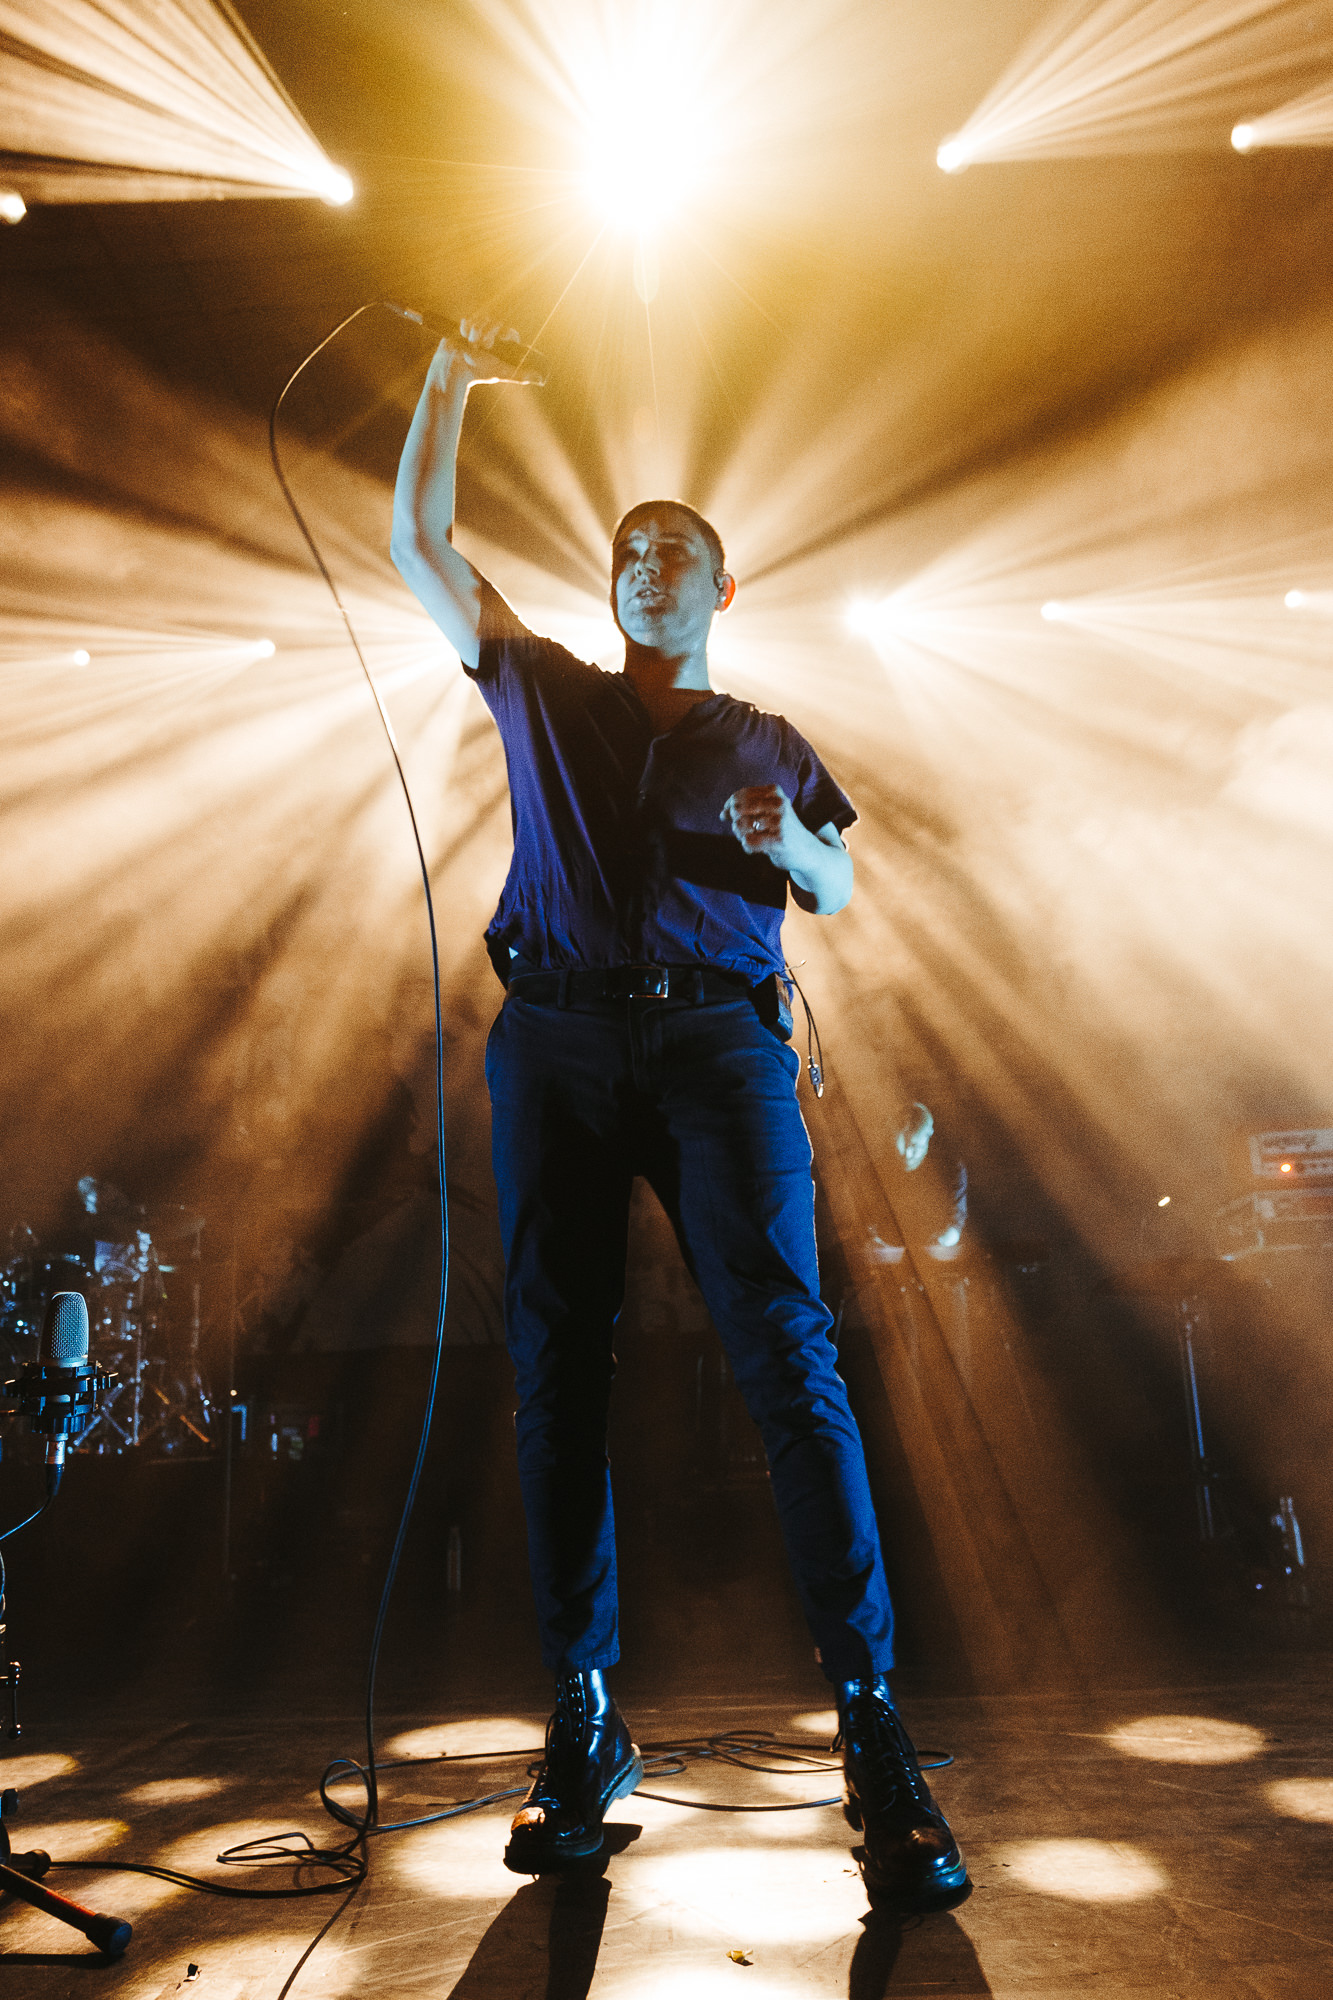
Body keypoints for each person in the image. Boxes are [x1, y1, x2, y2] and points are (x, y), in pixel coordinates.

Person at [391, 321, 966, 1907]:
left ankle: (870, 1724)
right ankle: (582, 1714)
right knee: (554, 1373)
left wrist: (793, 846)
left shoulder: (767, 743)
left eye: (678, 550)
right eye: (631, 548)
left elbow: (843, 885)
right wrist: (448, 375)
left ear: (724, 590)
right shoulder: (546, 691)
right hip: (559, 1042)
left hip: (720, 1045)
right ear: (616, 587)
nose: (650, 562)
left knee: (788, 1357)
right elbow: (418, 542)